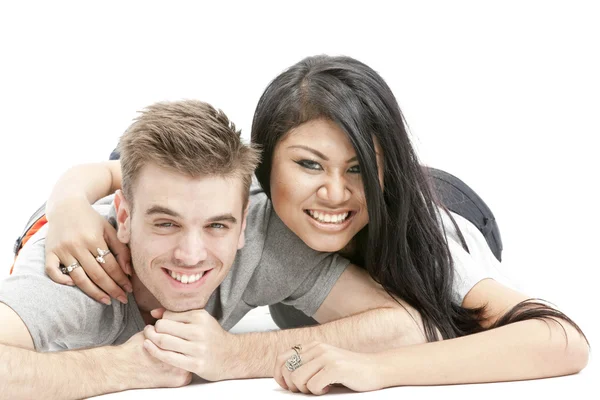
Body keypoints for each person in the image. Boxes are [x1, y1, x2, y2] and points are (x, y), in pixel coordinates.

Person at [22, 55, 589, 394]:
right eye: (309, 164)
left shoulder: (437, 238)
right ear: (265, 168)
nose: (335, 191)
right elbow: (126, 169)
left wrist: (377, 371)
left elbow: (560, 343)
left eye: (360, 168)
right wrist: (68, 198)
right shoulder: (248, 201)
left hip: (439, 207)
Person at [0, 99, 410, 399]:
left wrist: (236, 356)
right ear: (124, 218)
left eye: (216, 225)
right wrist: (119, 367)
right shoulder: (77, 277)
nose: (191, 254)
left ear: (243, 222)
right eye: (166, 224)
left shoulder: (266, 234)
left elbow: (405, 326)